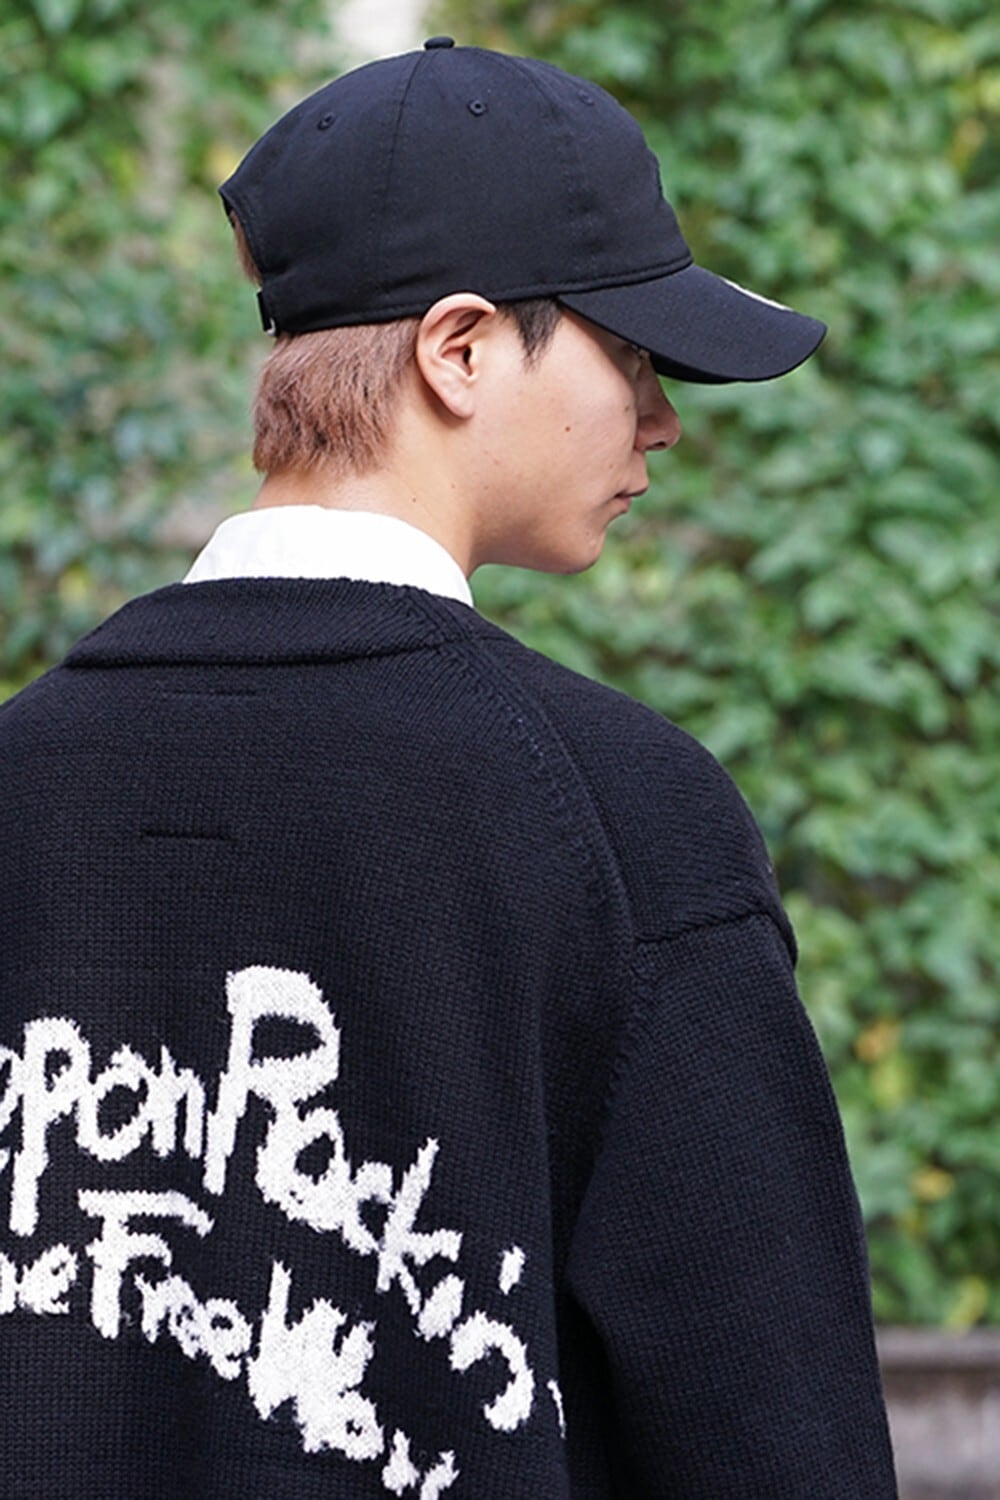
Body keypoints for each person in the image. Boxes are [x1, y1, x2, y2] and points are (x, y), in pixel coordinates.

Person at [0, 37, 896, 1500]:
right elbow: (773, 1438)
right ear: (460, 348)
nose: (663, 419)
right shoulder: (621, 819)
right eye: (632, 353)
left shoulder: (22, 773)